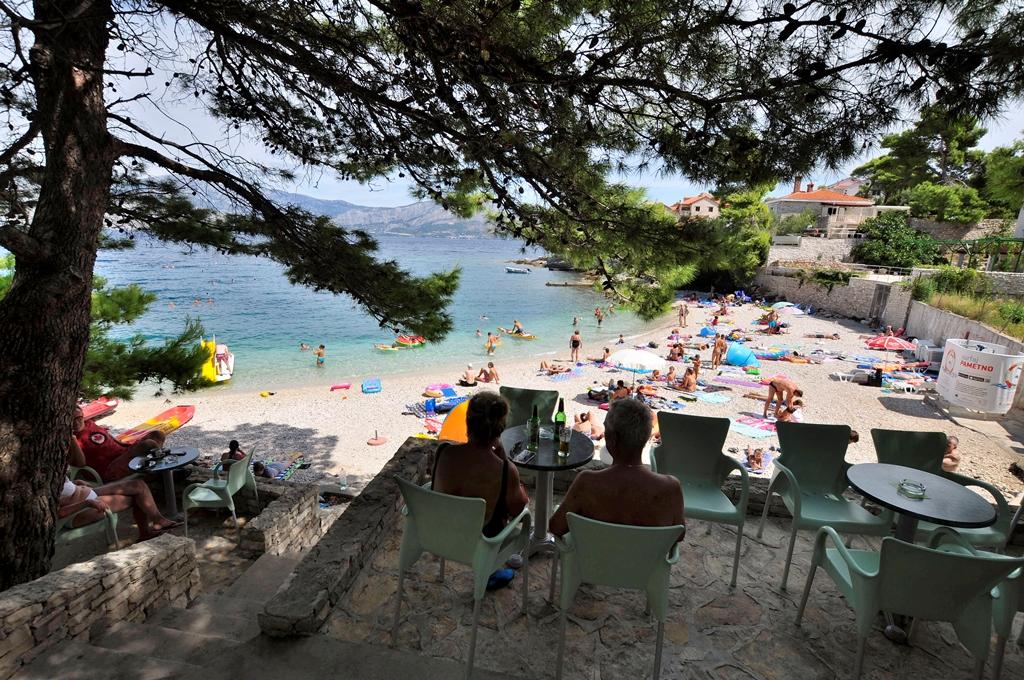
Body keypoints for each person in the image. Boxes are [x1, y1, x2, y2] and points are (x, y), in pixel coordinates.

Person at [550, 399, 684, 540]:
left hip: (594, 554)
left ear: (612, 438)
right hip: (647, 555)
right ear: (645, 437)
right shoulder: (670, 487)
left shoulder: (587, 482)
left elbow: (556, 527)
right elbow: (679, 535)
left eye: (606, 429)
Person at [432, 392, 529, 538]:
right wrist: (506, 463)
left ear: (468, 421)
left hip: (439, 535)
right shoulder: (504, 470)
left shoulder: (444, 452)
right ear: (501, 427)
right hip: (481, 544)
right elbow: (518, 510)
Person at [65, 437, 180, 539]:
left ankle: (158, 520)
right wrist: (86, 503)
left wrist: (74, 483)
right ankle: (145, 533)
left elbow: (64, 488)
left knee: (138, 485)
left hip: (86, 493)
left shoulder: (55, 472)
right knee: (137, 497)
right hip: (75, 512)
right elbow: (59, 513)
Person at [73, 406, 165, 482]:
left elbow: (108, 437)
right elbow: (80, 464)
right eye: (72, 419)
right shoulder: (72, 438)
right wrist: (72, 438)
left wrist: (125, 445)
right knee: (148, 444)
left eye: (78, 418)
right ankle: (161, 470)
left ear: (83, 416)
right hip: (110, 468)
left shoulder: (89, 423)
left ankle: (157, 468)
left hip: (123, 454)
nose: (76, 422)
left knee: (158, 434)